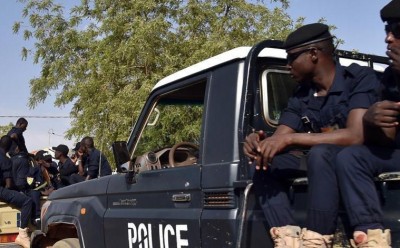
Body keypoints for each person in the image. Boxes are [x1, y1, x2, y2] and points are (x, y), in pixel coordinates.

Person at [243, 23, 380, 247]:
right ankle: (288, 238)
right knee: (263, 164)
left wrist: (291, 139)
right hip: (321, 166)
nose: (288, 66)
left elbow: (355, 136)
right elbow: (281, 137)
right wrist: (259, 144)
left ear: (314, 54)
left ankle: (317, 237)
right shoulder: (301, 95)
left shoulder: (359, 79)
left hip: (357, 164)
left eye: (292, 57)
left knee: (322, 152)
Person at [334, 1, 400, 247]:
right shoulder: (389, 79)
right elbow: (388, 139)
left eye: (397, 30)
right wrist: (372, 121)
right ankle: (371, 235)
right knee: (351, 157)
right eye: (387, 31)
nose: (388, 39)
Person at [0, 135, 32, 248]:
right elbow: (9, 185)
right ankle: (22, 235)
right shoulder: (5, 159)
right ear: (9, 148)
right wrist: (18, 192)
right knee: (27, 201)